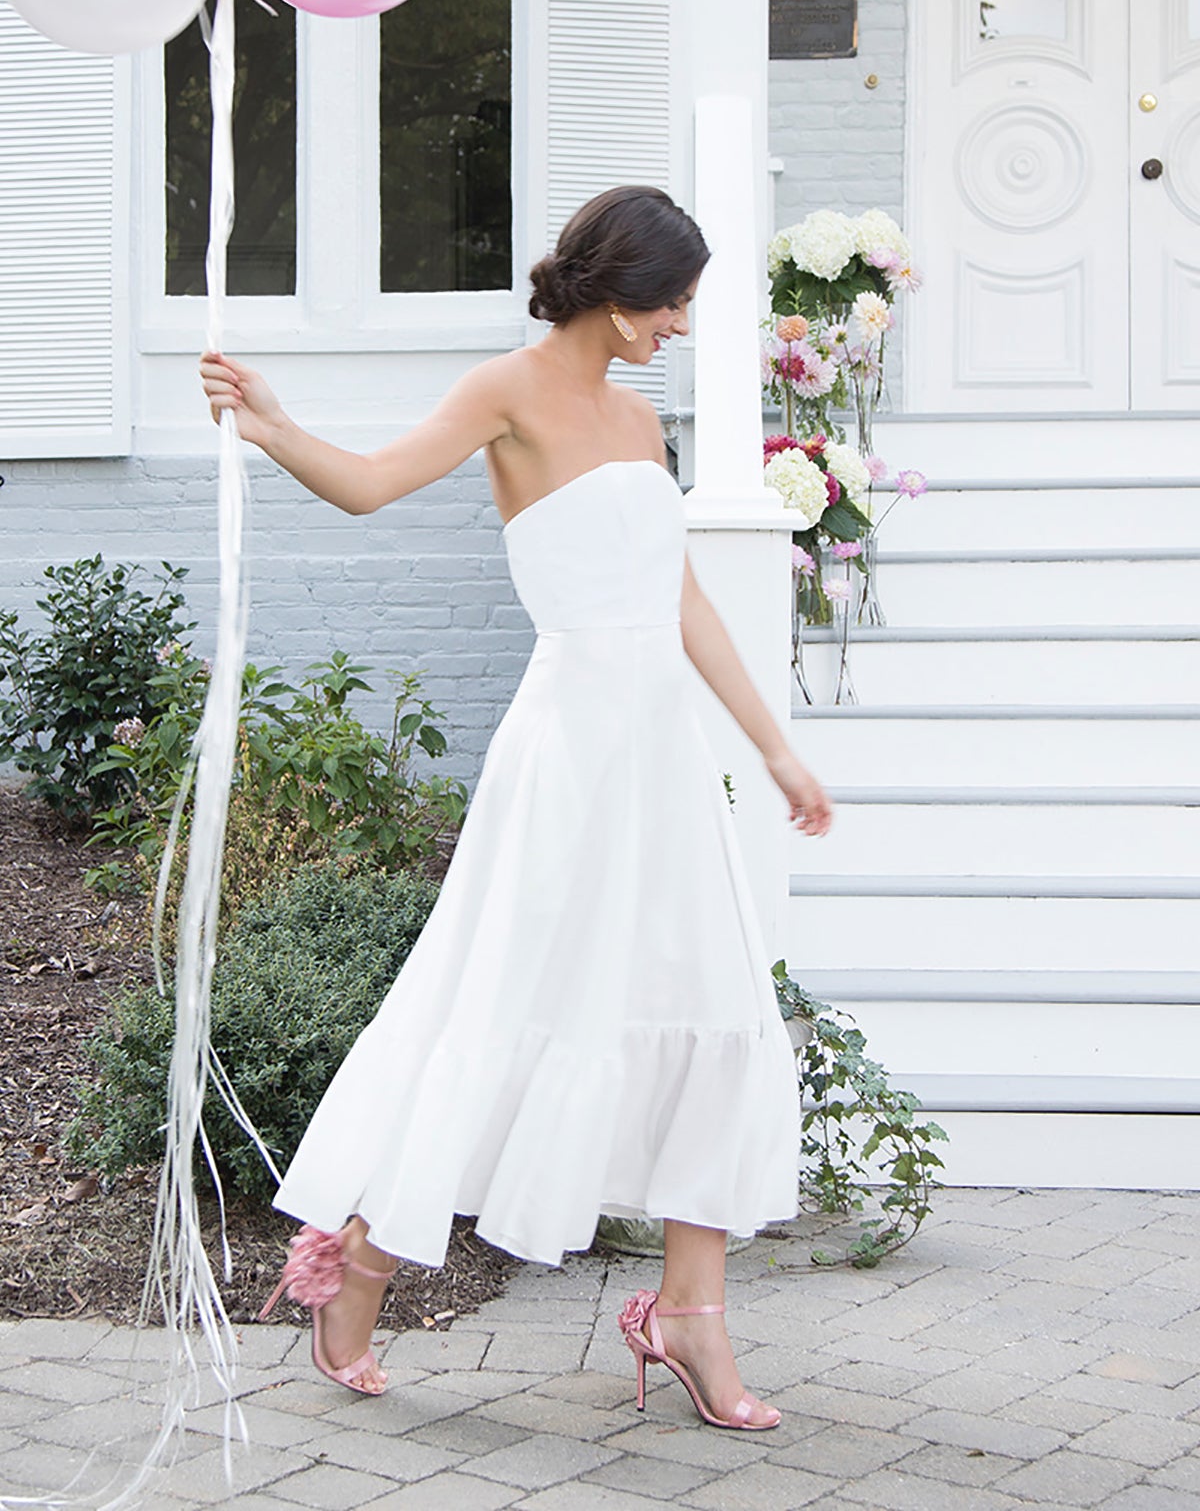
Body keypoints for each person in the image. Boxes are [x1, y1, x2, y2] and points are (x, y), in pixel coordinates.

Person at [199, 184, 833, 1433]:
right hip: (568, 749)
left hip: (660, 754)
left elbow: (683, 599)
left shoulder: (643, 424)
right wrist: (277, 428)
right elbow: (375, 485)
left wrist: (774, 747)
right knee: (503, 1000)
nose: (682, 324)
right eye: (674, 300)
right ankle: (362, 1265)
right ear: (616, 287)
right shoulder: (506, 392)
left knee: (715, 1002)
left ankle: (692, 1315)